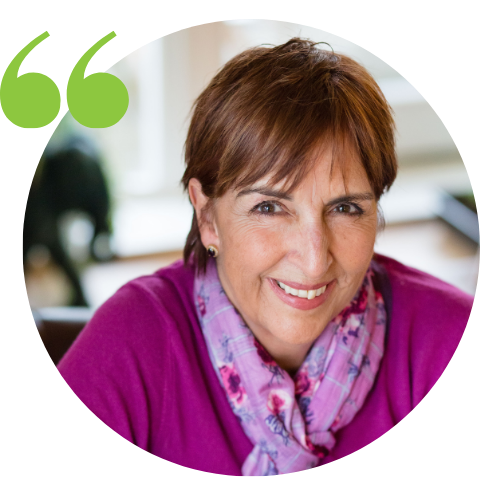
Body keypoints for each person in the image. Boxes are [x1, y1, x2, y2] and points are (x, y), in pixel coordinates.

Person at [56, 38, 474, 477]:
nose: (314, 259)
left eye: (345, 208)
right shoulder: (126, 350)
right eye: (269, 208)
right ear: (207, 216)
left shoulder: (456, 346)